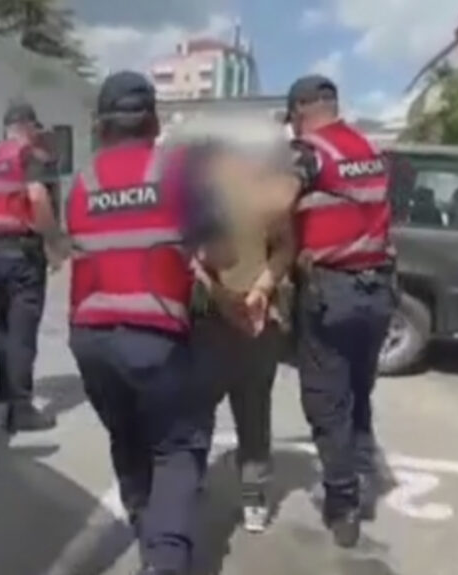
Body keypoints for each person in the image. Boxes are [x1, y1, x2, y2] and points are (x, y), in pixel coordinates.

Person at [65, 70, 234, 575]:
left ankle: (146, 527)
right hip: (155, 338)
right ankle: (165, 559)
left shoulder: (82, 183)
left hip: (89, 340)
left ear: (100, 126)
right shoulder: (178, 172)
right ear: (154, 122)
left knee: (128, 435)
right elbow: (223, 252)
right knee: (178, 447)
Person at [165, 114, 298, 534]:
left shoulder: (230, 194)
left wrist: (255, 290)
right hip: (230, 317)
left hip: (244, 317)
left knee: (232, 411)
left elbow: (283, 246)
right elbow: (283, 247)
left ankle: (238, 493)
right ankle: (230, 492)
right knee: (230, 411)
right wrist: (249, 294)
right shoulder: (230, 193)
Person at [284, 74, 397, 546]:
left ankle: (344, 505)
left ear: (301, 110)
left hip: (333, 290)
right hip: (378, 290)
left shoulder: (309, 152)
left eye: (292, 117)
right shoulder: (369, 149)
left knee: (327, 401)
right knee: (358, 390)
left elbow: (273, 203)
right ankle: (364, 471)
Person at [0, 100, 62, 432]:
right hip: (23, 252)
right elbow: (37, 198)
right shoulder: (29, 157)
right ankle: (21, 408)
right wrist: (54, 241)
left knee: (3, 326)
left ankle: (4, 393)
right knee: (22, 329)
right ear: (28, 127)